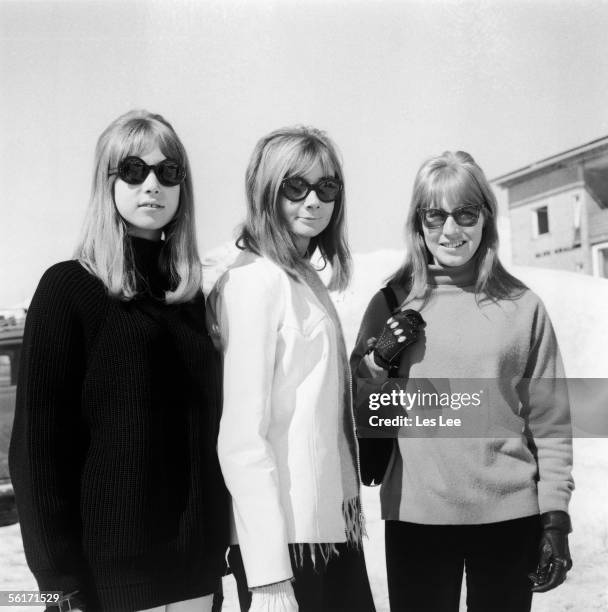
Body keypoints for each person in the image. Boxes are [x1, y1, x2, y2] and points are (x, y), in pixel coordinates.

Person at [9, 110, 229, 612]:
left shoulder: (191, 299)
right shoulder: (68, 288)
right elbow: (37, 453)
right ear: (107, 182)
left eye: (168, 172)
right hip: (109, 585)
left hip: (195, 578)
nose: (152, 184)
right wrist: (59, 585)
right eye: (133, 170)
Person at [351, 151, 574, 612]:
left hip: (509, 520)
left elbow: (551, 423)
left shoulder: (523, 306)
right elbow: (358, 412)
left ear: (485, 218)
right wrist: (377, 364)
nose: (450, 231)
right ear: (419, 222)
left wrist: (555, 520)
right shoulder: (391, 302)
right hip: (417, 520)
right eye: (435, 215)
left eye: (465, 213)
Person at [207, 126, 376, 612]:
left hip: (330, 528)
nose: (313, 202)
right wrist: (267, 577)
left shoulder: (302, 277)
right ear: (267, 192)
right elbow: (241, 439)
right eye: (294, 188)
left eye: (326, 188)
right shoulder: (252, 283)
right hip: (287, 542)